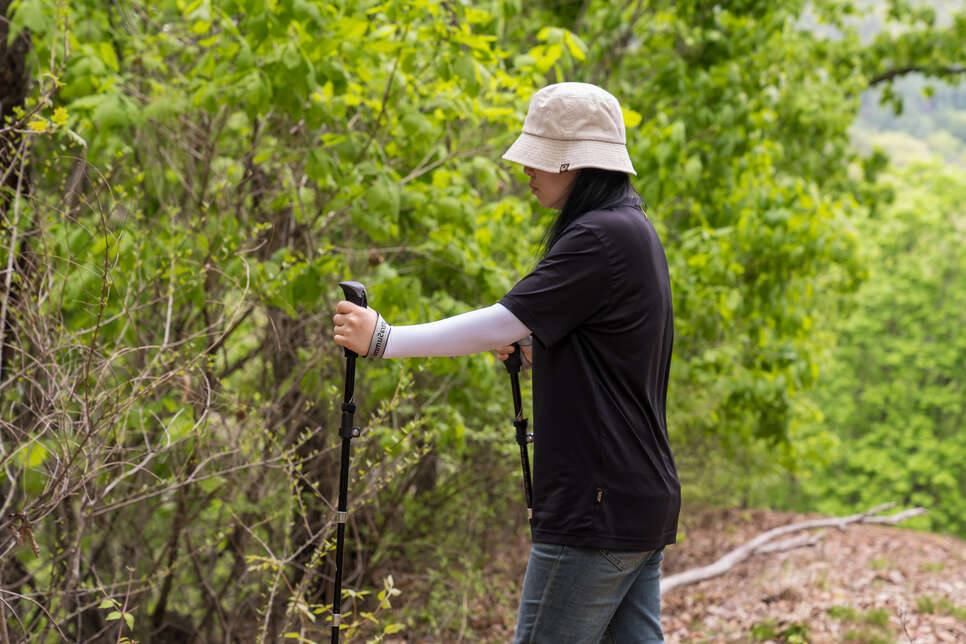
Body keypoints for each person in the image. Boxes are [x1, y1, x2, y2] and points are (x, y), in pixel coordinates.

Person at [333, 82, 679, 643]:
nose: (526, 169)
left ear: (577, 161)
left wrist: (383, 339)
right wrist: (544, 353)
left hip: (596, 509)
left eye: (540, 156)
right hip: (636, 501)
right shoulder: (633, 230)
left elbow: (503, 320)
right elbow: (614, 357)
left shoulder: (598, 236)